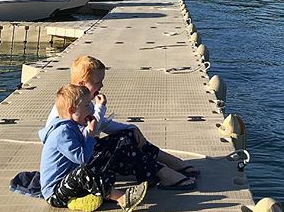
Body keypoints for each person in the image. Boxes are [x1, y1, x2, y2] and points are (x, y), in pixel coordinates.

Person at [43, 55, 198, 189]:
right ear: (82, 83)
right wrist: (100, 108)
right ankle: (161, 173)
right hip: (76, 163)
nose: (102, 85)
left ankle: (167, 164)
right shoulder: (67, 108)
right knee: (123, 144)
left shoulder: (85, 102)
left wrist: (132, 127)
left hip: (87, 151)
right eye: (98, 82)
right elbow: (89, 130)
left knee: (129, 134)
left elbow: (104, 125)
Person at [39, 84, 148, 212]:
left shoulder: (72, 126)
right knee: (84, 172)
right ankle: (122, 198)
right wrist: (90, 135)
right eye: (87, 106)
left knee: (106, 153)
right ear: (72, 110)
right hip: (56, 192)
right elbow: (83, 158)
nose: (91, 110)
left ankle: (139, 175)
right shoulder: (62, 133)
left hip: (71, 182)